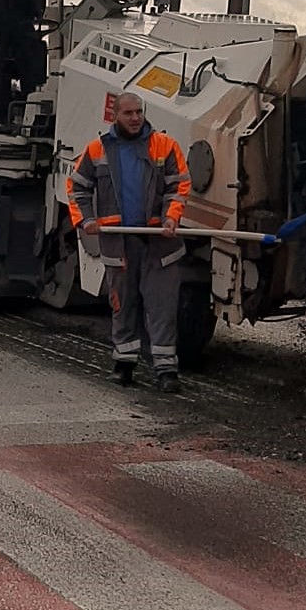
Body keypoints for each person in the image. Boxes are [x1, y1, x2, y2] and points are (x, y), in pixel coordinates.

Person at [67, 92, 192, 392]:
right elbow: (76, 187)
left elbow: (179, 186)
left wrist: (171, 218)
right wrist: (85, 221)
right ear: (115, 116)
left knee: (162, 306)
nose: (135, 118)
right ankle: (124, 363)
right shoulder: (98, 150)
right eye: (128, 113)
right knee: (123, 304)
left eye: (139, 112)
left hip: (159, 245)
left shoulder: (165, 145)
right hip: (118, 243)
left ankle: (166, 370)